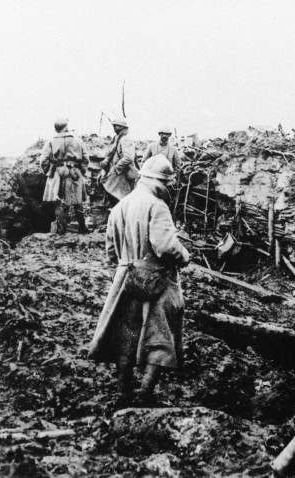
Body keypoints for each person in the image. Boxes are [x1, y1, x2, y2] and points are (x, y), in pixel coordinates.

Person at [88, 154, 190, 408]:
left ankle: (124, 392)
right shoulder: (157, 206)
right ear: (159, 181)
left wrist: (126, 265)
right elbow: (165, 246)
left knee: (125, 334)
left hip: (126, 278)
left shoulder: (121, 205)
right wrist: (184, 255)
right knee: (160, 334)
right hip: (157, 279)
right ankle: (145, 392)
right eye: (167, 184)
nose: (168, 189)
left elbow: (110, 250)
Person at [39, 118, 89, 234]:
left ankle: (61, 230)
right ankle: (82, 228)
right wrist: (81, 171)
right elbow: (86, 159)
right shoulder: (77, 140)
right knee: (78, 201)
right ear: (66, 127)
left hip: (58, 172)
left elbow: (43, 160)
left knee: (60, 201)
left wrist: (48, 172)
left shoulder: (51, 141)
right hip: (74, 172)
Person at [99, 117, 139, 205]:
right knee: (113, 193)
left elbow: (128, 158)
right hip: (118, 173)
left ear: (122, 127)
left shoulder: (126, 139)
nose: (114, 128)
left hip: (124, 173)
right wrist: (106, 161)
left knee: (121, 196)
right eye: (114, 126)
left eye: (116, 126)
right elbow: (111, 152)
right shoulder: (117, 138)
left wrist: (116, 168)